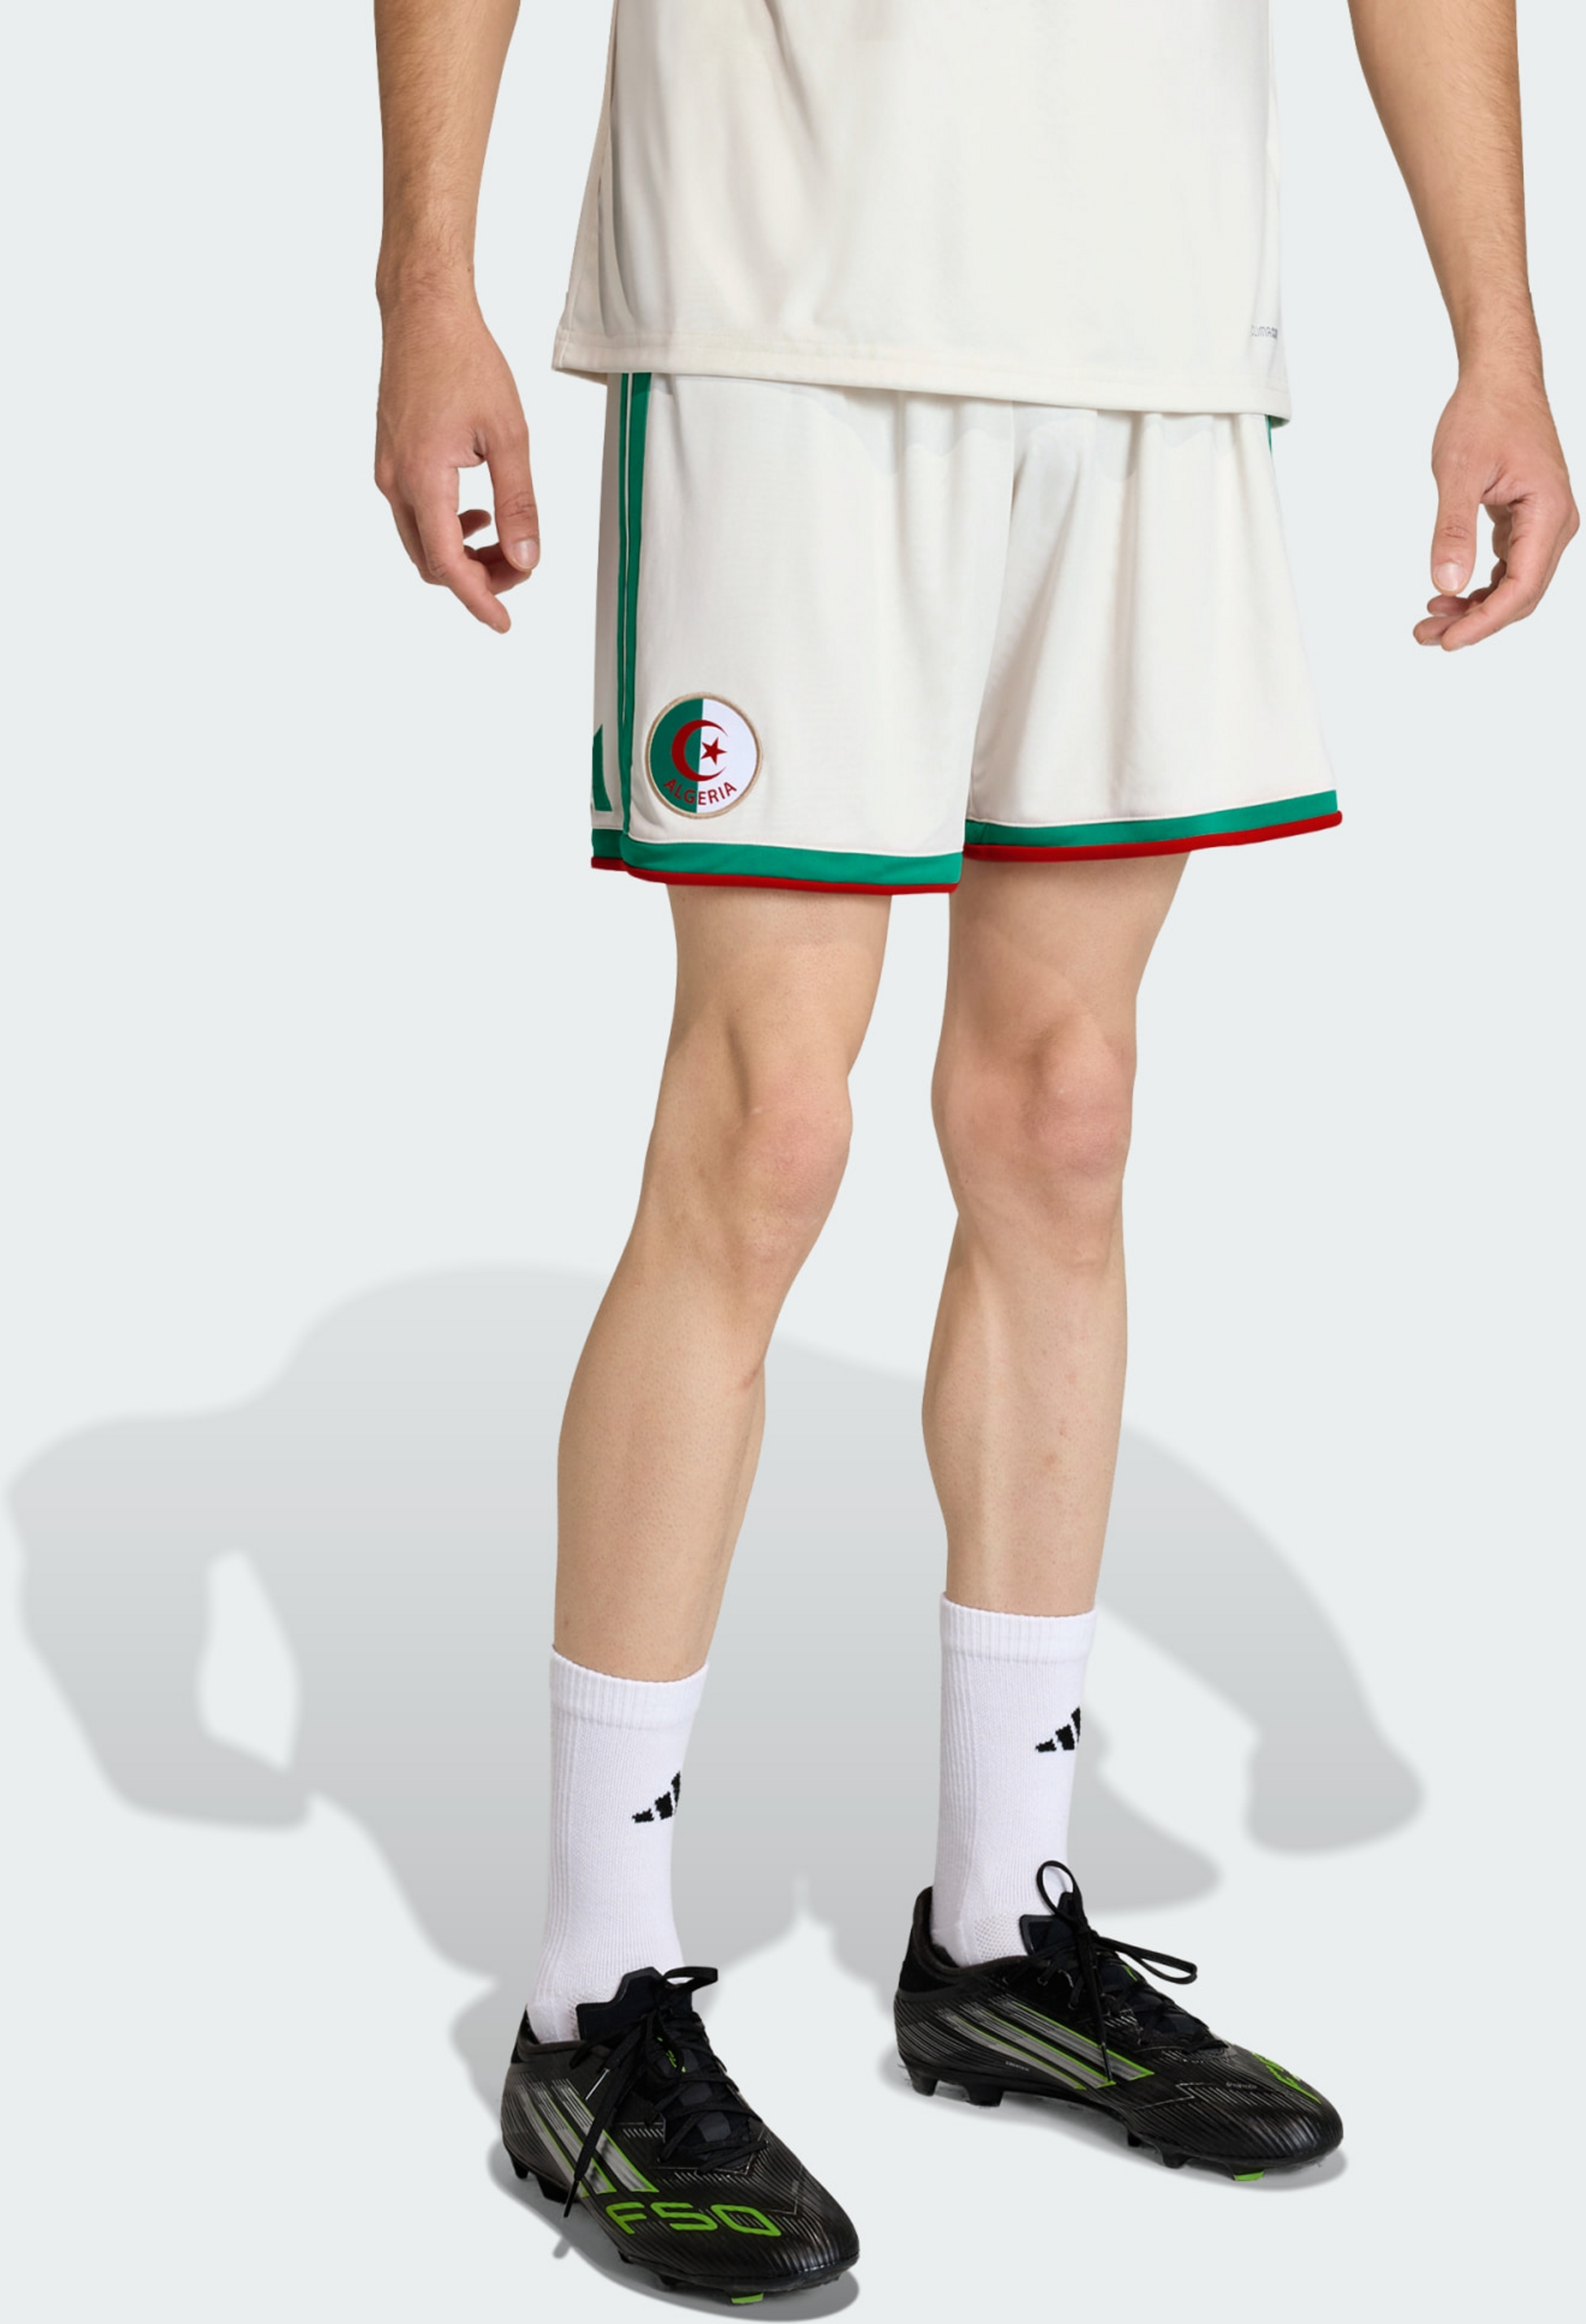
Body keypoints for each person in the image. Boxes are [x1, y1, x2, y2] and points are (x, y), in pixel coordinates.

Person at [373, 1, 1575, 2300]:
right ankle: (588, 2002)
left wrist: (1497, 332)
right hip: (778, 309)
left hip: (1151, 340)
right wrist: (428, 281)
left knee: (1063, 1116)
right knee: (766, 1134)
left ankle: (1001, 1933)